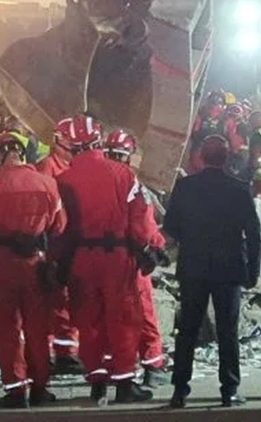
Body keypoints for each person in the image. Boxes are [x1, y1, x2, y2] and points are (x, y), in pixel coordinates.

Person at [54, 114, 155, 404]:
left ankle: (97, 381)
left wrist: (58, 261)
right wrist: (145, 248)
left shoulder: (63, 180)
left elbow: (59, 228)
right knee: (122, 319)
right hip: (117, 257)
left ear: (72, 146)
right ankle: (124, 383)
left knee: (89, 321)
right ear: (98, 140)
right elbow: (141, 219)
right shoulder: (123, 175)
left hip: (81, 259)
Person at [0, 133, 67, 408]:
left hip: (3, 262)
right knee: (38, 326)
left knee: (7, 327)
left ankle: (15, 389)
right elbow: (59, 226)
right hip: (37, 261)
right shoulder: (48, 185)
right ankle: (39, 388)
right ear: (22, 154)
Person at [163, 134, 261, 409]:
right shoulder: (239, 189)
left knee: (188, 331)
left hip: (193, 267)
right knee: (228, 331)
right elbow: (253, 233)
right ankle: (229, 390)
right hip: (228, 269)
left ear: (202, 158)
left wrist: (190, 237)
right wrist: (252, 271)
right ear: (226, 158)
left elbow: (171, 226)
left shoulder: (185, 188)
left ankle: (179, 391)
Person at [103, 128, 171, 387]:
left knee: (108, 313)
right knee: (143, 312)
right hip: (131, 257)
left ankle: (112, 365)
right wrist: (157, 247)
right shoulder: (132, 184)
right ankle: (153, 365)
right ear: (129, 156)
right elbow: (144, 223)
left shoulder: (98, 183)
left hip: (100, 257)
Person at [35, 117, 82, 375]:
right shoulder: (47, 167)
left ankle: (67, 351)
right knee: (54, 299)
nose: (73, 151)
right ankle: (56, 353)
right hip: (55, 241)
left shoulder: (72, 167)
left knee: (69, 299)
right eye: (69, 146)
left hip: (73, 240)